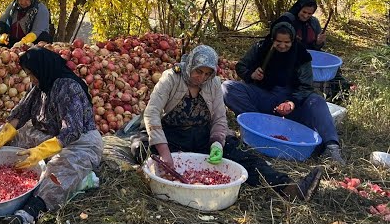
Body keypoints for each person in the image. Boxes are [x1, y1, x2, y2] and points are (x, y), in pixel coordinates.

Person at [130, 44, 324, 202]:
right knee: (140, 147)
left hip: (201, 135)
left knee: (241, 155)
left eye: (207, 73)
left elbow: (219, 118)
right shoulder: (172, 78)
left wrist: (216, 142)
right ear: (190, 66)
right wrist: (164, 152)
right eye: (198, 72)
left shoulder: (213, 83)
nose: (202, 78)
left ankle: (289, 188)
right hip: (170, 135)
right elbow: (152, 113)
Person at [0, 46, 103, 224]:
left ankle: (30, 212)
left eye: (31, 74)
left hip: (80, 142)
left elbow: (73, 130)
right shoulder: (41, 83)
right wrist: (0, 139)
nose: (30, 78)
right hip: (49, 134)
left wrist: (41, 151)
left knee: (60, 168)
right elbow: (22, 111)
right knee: (5, 136)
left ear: (42, 68)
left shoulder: (68, 87)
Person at [222, 22, 346, 165]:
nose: (282, 46)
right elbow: (241, 66)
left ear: (293, 40)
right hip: (264, 95)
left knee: (317, 101)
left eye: (287, 42)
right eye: (278, 42)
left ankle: (331, 147)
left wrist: (291, 102)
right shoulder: (261, 48)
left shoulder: (301, 55)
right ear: (272, 39)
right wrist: (251, 74)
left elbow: (306, 86)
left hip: (293, 101)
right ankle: (259, 126)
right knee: (228, 87)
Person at [273, 0, 351, 102]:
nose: (306, 16)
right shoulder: (287, 19)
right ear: (298, 8)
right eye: (304, 12)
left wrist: (318, 42)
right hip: (289, 55)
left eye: (309, 14)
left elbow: (315, 47)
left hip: (310, 54)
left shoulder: (313, 22)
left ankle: (340, 96)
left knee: (335, 70)